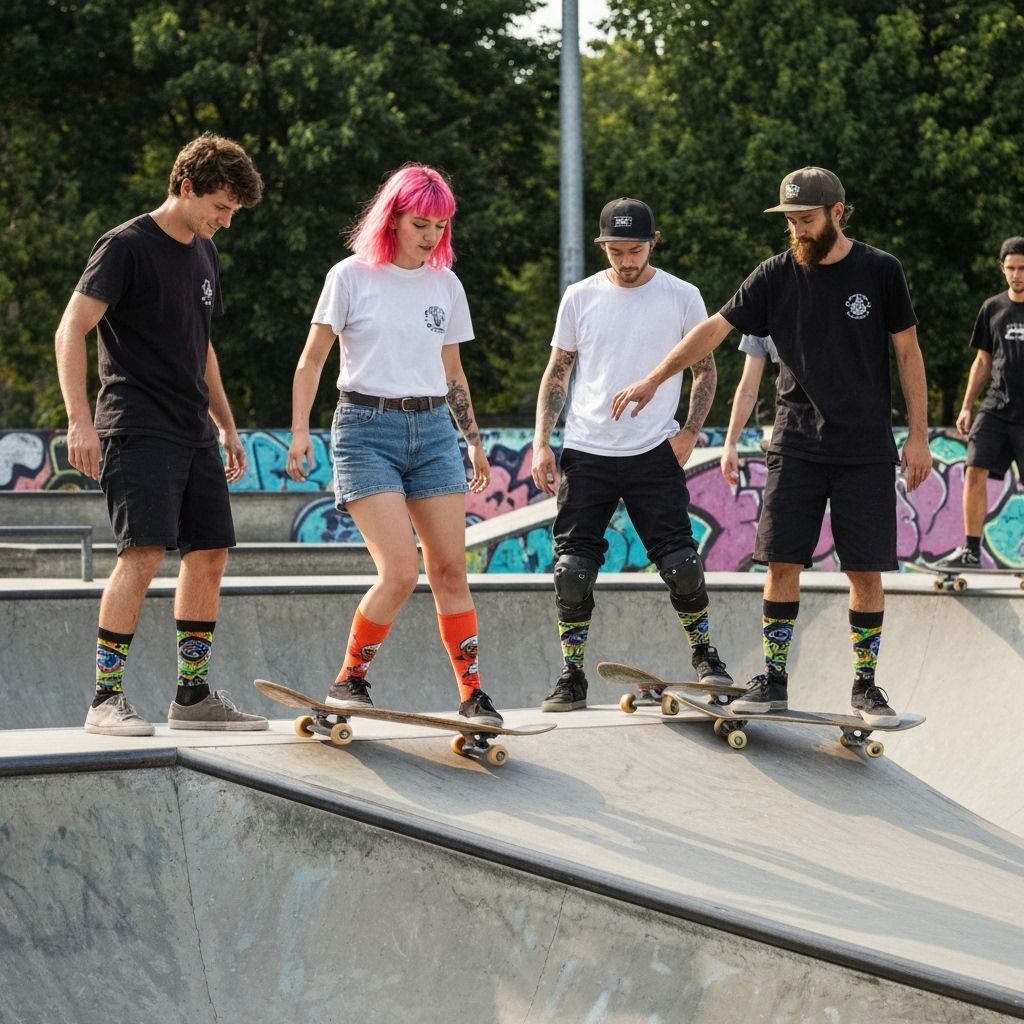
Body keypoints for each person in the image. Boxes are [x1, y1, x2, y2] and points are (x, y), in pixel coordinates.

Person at [612, 167, 931, 725]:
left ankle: (865, 686)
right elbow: (713, 329)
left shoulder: (881, 271)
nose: (799, 231)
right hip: (796, 443)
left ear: (837, 212)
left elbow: (908, 353)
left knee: (865, 571)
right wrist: (656, 377)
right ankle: (775, 678)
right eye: (790, 222)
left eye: (807, 220)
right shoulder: (775, 275)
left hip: (864, 448)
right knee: (781, 562)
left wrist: (921, 434)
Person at [55, 132, 269, 735]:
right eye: (220, 207)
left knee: (209, 554)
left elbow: (202, 348)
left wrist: (225, 425)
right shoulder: (126, 247)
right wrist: (79, 420)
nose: (225, 222)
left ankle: (193, 696)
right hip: (137, 424)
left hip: (192, 430)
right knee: (143, 554)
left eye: (232, 212)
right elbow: (72, 328)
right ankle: (105, 699)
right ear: (185, 186)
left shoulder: (204, 254)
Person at [286, 164, 502, 726]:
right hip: (365, 429)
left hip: (432, 431)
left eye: (440, 224)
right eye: (419, 223)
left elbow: (453, 371)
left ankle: (473, 694)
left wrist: (473, 442)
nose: (430, 236)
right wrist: (301, 430)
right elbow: (312, 360)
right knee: (401, 571)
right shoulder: (351, 276)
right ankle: (349, 680)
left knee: (451, 569)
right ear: (393, 220)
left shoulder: (445, 284)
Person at [532, 197, 733, 712]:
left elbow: (705, 371)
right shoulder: (579, 297)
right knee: (572, 571)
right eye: (616, 251)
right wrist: (542, 443)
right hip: (587, 451)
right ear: (603, 246)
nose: (625, 261)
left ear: (653, 243)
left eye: (635, 250)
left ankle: (706, 657)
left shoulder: (682, 296)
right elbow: (557, 373)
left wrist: (688, 432)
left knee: (683, 564)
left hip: (653, 451)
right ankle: (571, 675)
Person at [932, 236, 1024, 570]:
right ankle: (971, 550)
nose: (1017, 275)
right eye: (1011, 268)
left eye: (1023, 269)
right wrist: (967, 405)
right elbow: (982, 362)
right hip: (996, 407)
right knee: (973, 470)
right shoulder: (993, 308)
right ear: (1002, 269)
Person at [720, 334, 779, 485]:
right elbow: (747, 390)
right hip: (792, 440)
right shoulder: (764, 315)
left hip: (841, 438)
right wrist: (730, 443)